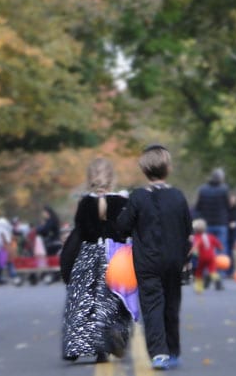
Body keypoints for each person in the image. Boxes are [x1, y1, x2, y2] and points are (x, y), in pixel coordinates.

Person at [118, 145, 192, 370]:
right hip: (173, 260)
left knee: (152, 306)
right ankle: (174, 351)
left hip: (147, 261)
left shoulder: (138, 197)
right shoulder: (178, 196)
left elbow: (122, 227)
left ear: (144, 170)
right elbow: (187, 228)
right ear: (167, 169)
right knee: (171, 304)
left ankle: (159, 354)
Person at [62, 158, 131, 363]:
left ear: (90, 178)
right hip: (113, 255)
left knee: (82, 299)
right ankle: (107, 343)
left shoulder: (85, 203)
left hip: (88, 253)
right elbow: (124, 229)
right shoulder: (122, 202)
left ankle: (76, 345)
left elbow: (81, 230)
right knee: (110, 299)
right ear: (112, 178)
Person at [194, 168, 230, 278]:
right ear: (221, 178)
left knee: (206, 248)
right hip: (221, 222)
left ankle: (206, 271)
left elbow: (198, 207)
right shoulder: (224, 189)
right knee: (221, 247)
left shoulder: (203, 190)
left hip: (207, 224)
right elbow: (227, 206)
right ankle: (220, 272)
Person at [190, 218, 223, 293]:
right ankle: (218, 282)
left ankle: (199, 288)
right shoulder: (210, 236)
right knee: (212, 270)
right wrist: (220, 249)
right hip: (211, 256)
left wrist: (192, 252)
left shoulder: (196, 237)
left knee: (199, 272)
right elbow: (218, 244)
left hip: (202, 257)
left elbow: (196, 245)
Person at [227, 193, 236, 278]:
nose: (232, 201)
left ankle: (231, 270)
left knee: (231, 252)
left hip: (233, 232)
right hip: (226, 230)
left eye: (233, 199)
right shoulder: (225, 209)